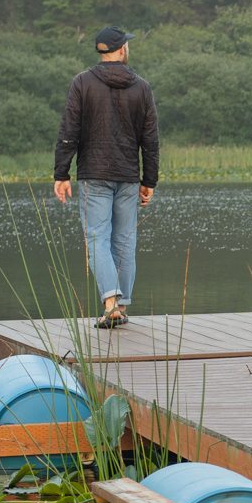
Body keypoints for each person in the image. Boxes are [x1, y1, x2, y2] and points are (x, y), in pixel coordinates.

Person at [52, 26, 159, 329]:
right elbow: (150, 140)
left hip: (94, 174)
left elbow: (69, 131)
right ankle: (120, 307)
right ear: (122, 49)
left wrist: (61, 173)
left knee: (97, 238)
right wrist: (149, 181)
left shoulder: (82, 83)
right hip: (128, 175)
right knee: (124, 240)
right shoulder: (142, 87)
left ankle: (111, 303)